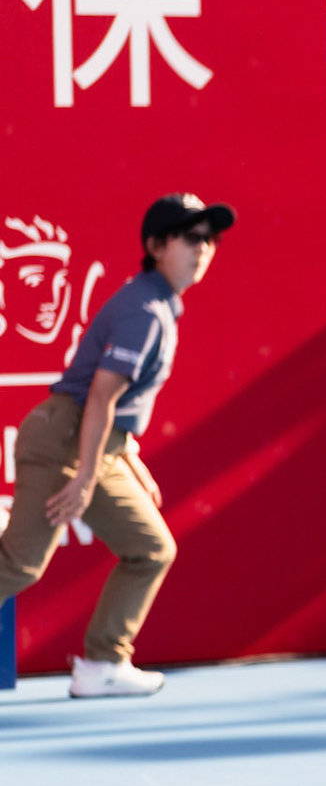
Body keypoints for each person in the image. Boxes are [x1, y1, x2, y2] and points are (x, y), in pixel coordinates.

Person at [0, 193, 233, 697]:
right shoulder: (146, 311)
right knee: (19, 566)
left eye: (209, 238)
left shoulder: (159, 307)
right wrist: (84, 479)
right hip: (64, 439)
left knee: (151, 548)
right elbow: (100, 396)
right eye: (190, 238)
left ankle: (102, 663)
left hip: (98, 443)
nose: (203, 248)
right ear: (155, 245)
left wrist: (128, 459)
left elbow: (114, 411)